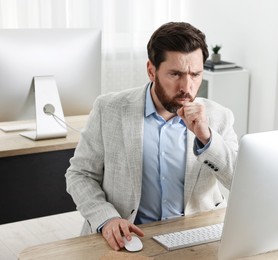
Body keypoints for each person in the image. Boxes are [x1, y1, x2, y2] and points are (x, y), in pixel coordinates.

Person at [65, 21, 238, 251]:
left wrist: (206, 138)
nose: (187, 86)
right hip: (130, 239)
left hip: (197, 238)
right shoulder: (109, 109)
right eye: (175, 74)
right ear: (151, 71)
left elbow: (240, 181)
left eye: (195, 74)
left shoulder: (219, 117)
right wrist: (107, 219)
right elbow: (80, 175)